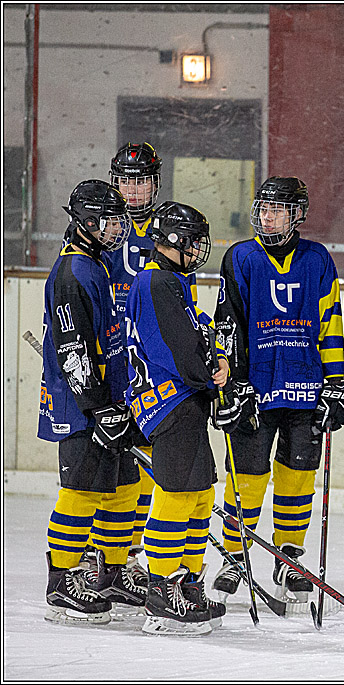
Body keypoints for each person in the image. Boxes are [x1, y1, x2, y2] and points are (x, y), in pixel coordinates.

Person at [211, 177, 344, 607]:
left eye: (277, 210)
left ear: (297, 214)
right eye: (263, 208)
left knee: (297, 476)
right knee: (246, 481)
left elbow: (330, 323)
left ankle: (289, 557)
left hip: (306, 388)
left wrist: (336, 385)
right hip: (256, 389)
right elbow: (226, 324)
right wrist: (230, 385)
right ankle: (236, 556)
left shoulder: (317, 259)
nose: (267, 217)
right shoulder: (241, 257)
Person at [125, 200, 233, 635]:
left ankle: (187, 583)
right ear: (172, 242)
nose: (197, 250)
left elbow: (198, 335)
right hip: (168, 404)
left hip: (185, 402)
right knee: (175, 493)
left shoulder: (173, 281)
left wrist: (217, 357)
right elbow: (177, 350)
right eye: (192, 242)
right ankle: (161, 590)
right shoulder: (156, 283)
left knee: (200, 492)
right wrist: (213, 377)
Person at [40, 180, 141, 625]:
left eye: (118, 220)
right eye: (107, 220)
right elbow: (73, 350)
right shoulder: (72, 273)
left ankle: (113, 572)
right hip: (83, 407)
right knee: (81, 492)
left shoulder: (94, 264)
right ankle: (61, 581)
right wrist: (97, 405)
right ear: (82, 222)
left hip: (110, 399)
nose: (115, 229)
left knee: (123, 489)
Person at [87, 141, 163, 588]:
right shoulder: (95, 226)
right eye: (125, 181)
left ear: (155, 182)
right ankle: (100, 554)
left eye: (140, 181)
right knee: (107, 462)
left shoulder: (169, 227)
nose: (131, 191)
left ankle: (128, 555)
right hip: (110, 355)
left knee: (146, 464)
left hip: (149, 358)